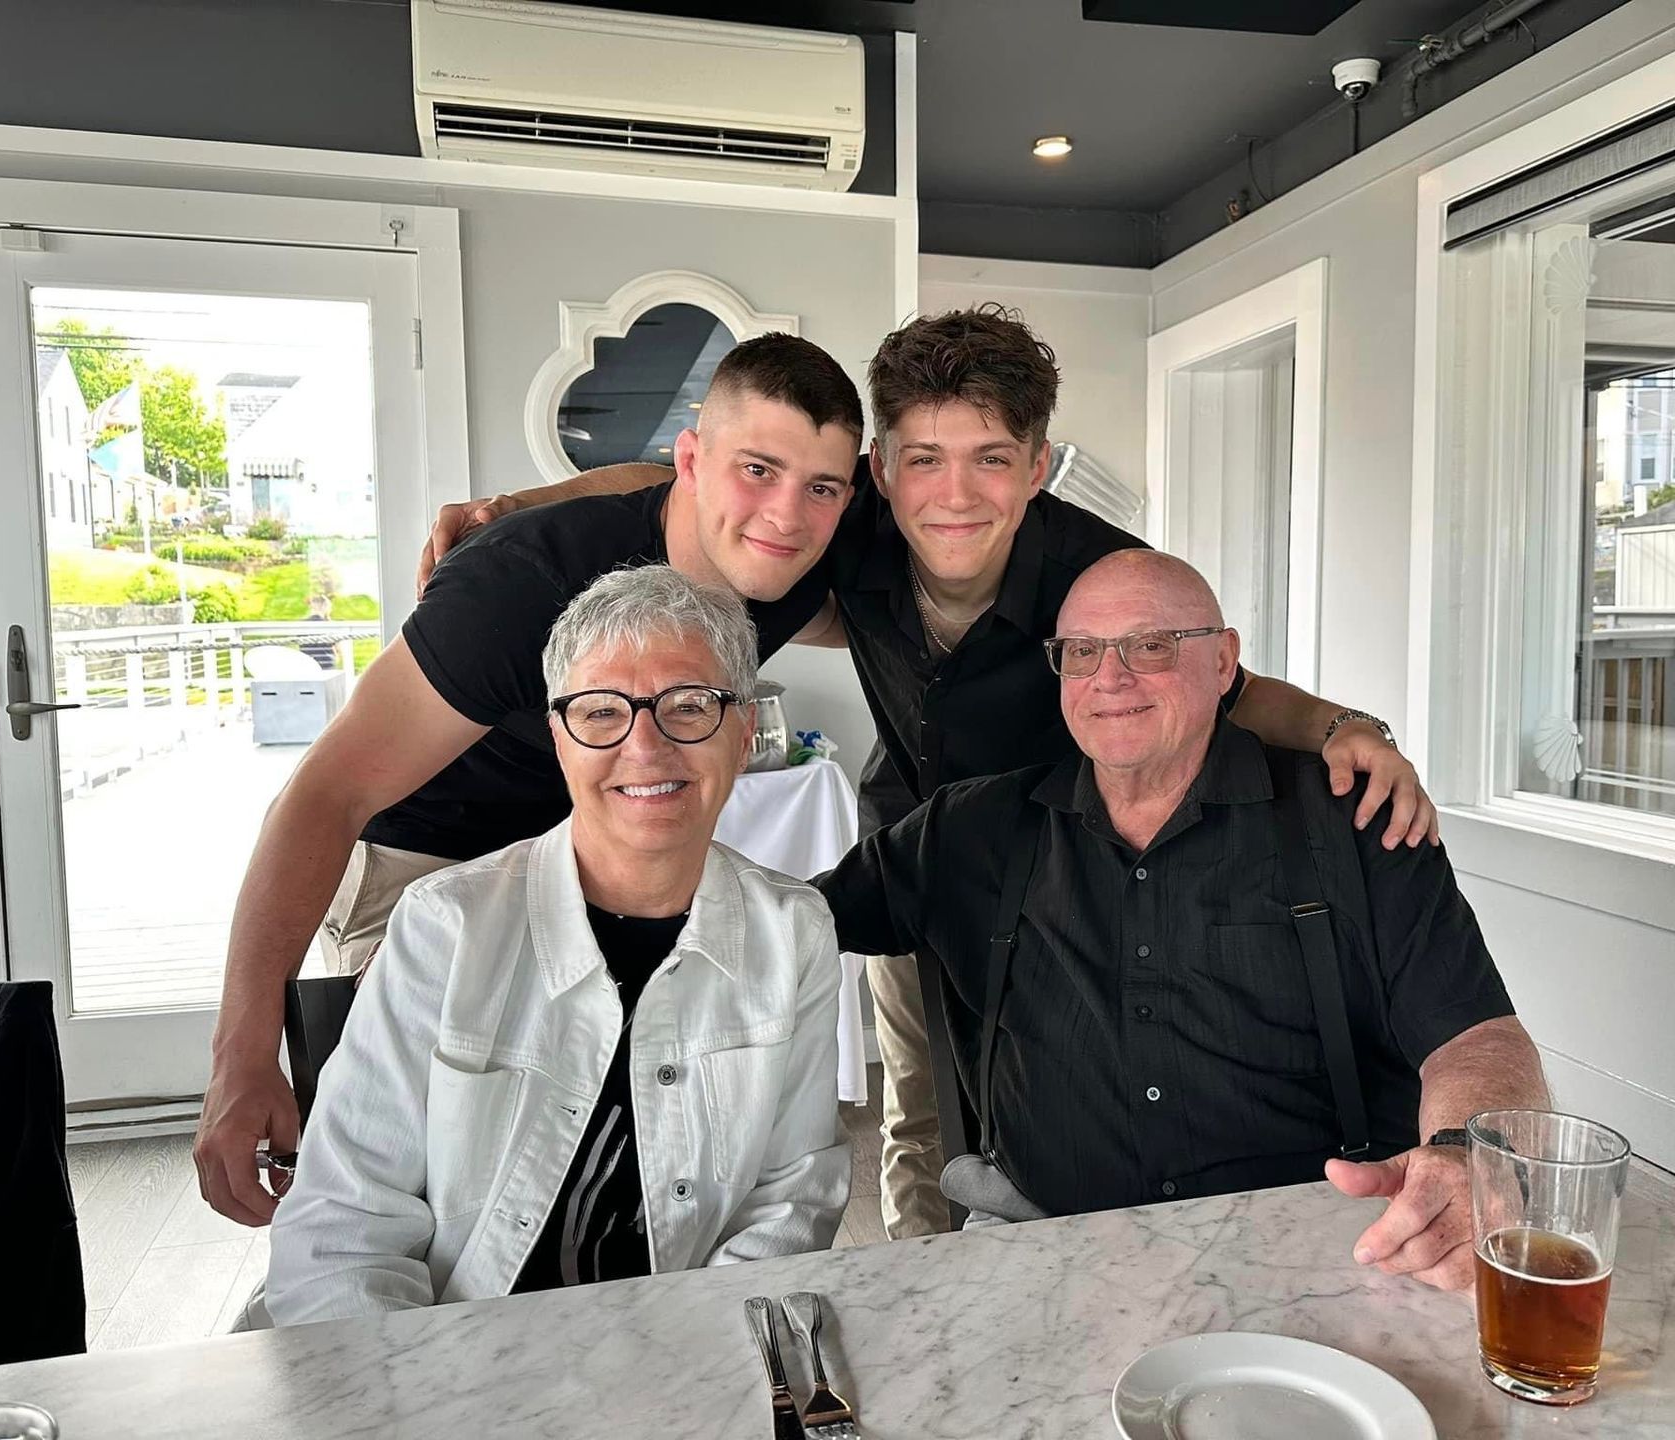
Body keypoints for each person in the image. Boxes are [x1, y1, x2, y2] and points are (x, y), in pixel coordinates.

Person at [420, 307, 1442, 1241]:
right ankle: (925, 1281)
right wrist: (518, 503)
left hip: (1067, 876)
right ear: (880, 467)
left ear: (1038, 466)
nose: (954, 494)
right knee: (916, 1102)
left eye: (992, 459)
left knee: (1063, 1103)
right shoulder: (845, 532)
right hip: (920, 854)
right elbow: (682, 480)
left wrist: (1346, 724)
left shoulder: (1097, 574)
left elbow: (1221, 680)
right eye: (923, 460)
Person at [195, 334, 862, 1225]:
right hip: (419, 862)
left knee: (609, 1156)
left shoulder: (781, 569)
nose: (786, 515)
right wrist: (242, 1058)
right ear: (695, 461)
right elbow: (326, 795)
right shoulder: (517, 583)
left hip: (581, 862)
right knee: (425, 1185)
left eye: (820, 486)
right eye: (757, 471)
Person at [818, 550, 1546, 1292]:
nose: (1110, 678)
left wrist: (1462, 1154)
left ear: (1224, 662)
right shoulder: (974, 829)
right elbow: (789, 921)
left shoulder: (1352, 821)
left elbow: (1477, 1038)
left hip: (1323, 1245)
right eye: (1082, 652)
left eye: (1151, 644)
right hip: (1045, 1245)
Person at [263, 566, 849, 1325]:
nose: (646, 746)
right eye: (602, 712)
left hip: (693, 1357)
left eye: (689, 706)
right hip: (452, 1359)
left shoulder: (793, 931)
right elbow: (343, 1232)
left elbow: (792, 1199)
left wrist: (700, 1361)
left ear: (742, 737)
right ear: (559, 740)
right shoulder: (447, 927)